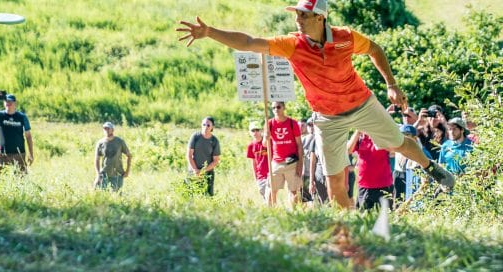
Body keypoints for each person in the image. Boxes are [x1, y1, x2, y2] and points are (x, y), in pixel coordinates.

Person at [177, 0, 455, 208]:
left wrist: (391, 85)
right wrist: (210, 32)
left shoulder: (346, 37)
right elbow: (249, 42)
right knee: (335, 180)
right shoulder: (292, 44)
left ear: (320, 18)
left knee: (398, 142)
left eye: (303, 14)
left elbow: (374, 49)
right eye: (296, 13)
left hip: (361, 103)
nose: (297, 18)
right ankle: (351, 231)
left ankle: (433, 169)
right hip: (326, 118)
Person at [0, 90, 34, 174]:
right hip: (2, 154)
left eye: (10, 101)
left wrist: (31, 154)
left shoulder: (22, 117)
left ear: (15, 103)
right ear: (4, 103)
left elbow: (28, 136)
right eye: (6, 101)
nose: (8, 103)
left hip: (19, 154)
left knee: (21, 179)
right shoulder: (0, 115)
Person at [264, 101, 303, 206]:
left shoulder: (292, 123)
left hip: (291, 162)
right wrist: (266, 137)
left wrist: (300, 165)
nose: (276, 110)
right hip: (276, 163)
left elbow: (299, 144)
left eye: (278, 107)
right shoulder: (269, 123)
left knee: (294, 191)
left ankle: (295, 214)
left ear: (284, 107)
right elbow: (264, 144)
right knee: (271, 190)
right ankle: (271, 213)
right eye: (273, 108)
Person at [347, 130, 393, 211]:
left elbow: (393, 151)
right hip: (364, 185)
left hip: (384, 185)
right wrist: (357, 131)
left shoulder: (383, 134)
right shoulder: (360, 137)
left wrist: (376, 137)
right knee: (363, 218)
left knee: (385, 217)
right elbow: (348, 150)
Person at [393, 125, 431, 205]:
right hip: (411, 206)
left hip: (422, 206)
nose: (403, 138)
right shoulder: (408, 154)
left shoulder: (423, 155)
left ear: (415, 138)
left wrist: (406, 204)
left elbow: (425, 185)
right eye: (401, 135)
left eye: (406, 135)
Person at [187, 116, 221, 196]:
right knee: (192, 196)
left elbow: (216, 160)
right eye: (204, 124)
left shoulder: (214, 141)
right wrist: (195, 170)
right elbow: (189, 155)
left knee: (208, 197)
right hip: (193, 172)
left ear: (212, 127)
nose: (205, 127)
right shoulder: (195, 137)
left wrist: (203, 171)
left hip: (207, 173)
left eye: (208, 125)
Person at [94, 122, 132, 192]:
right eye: (105, 128)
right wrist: (98, 174)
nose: (106, 130)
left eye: (108, 128)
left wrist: (127, 171)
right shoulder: (100, 143)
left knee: (117, 196)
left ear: (113, 130)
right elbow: (97, 159)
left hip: (117, 174)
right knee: (101, 195)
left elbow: (129, 155)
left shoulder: (120, 142)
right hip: (104, 174)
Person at [246, 121, 269, 201]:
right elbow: (254, 163)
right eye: (253, 130)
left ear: (261, 131)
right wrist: (255, 177)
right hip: (260, 176)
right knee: (264, 197)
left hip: (270, 174)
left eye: (257, 130)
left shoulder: (267, 142)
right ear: (250, 132)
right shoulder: (251, 146)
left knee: (270, 196)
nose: (255, 132)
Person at [300, 118, 314, 203]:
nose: (311, 127)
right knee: (306, 199)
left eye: (313, 124)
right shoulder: (303, 140)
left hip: (320, 174)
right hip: (307, 174)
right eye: (309, 125)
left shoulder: (322, 138)